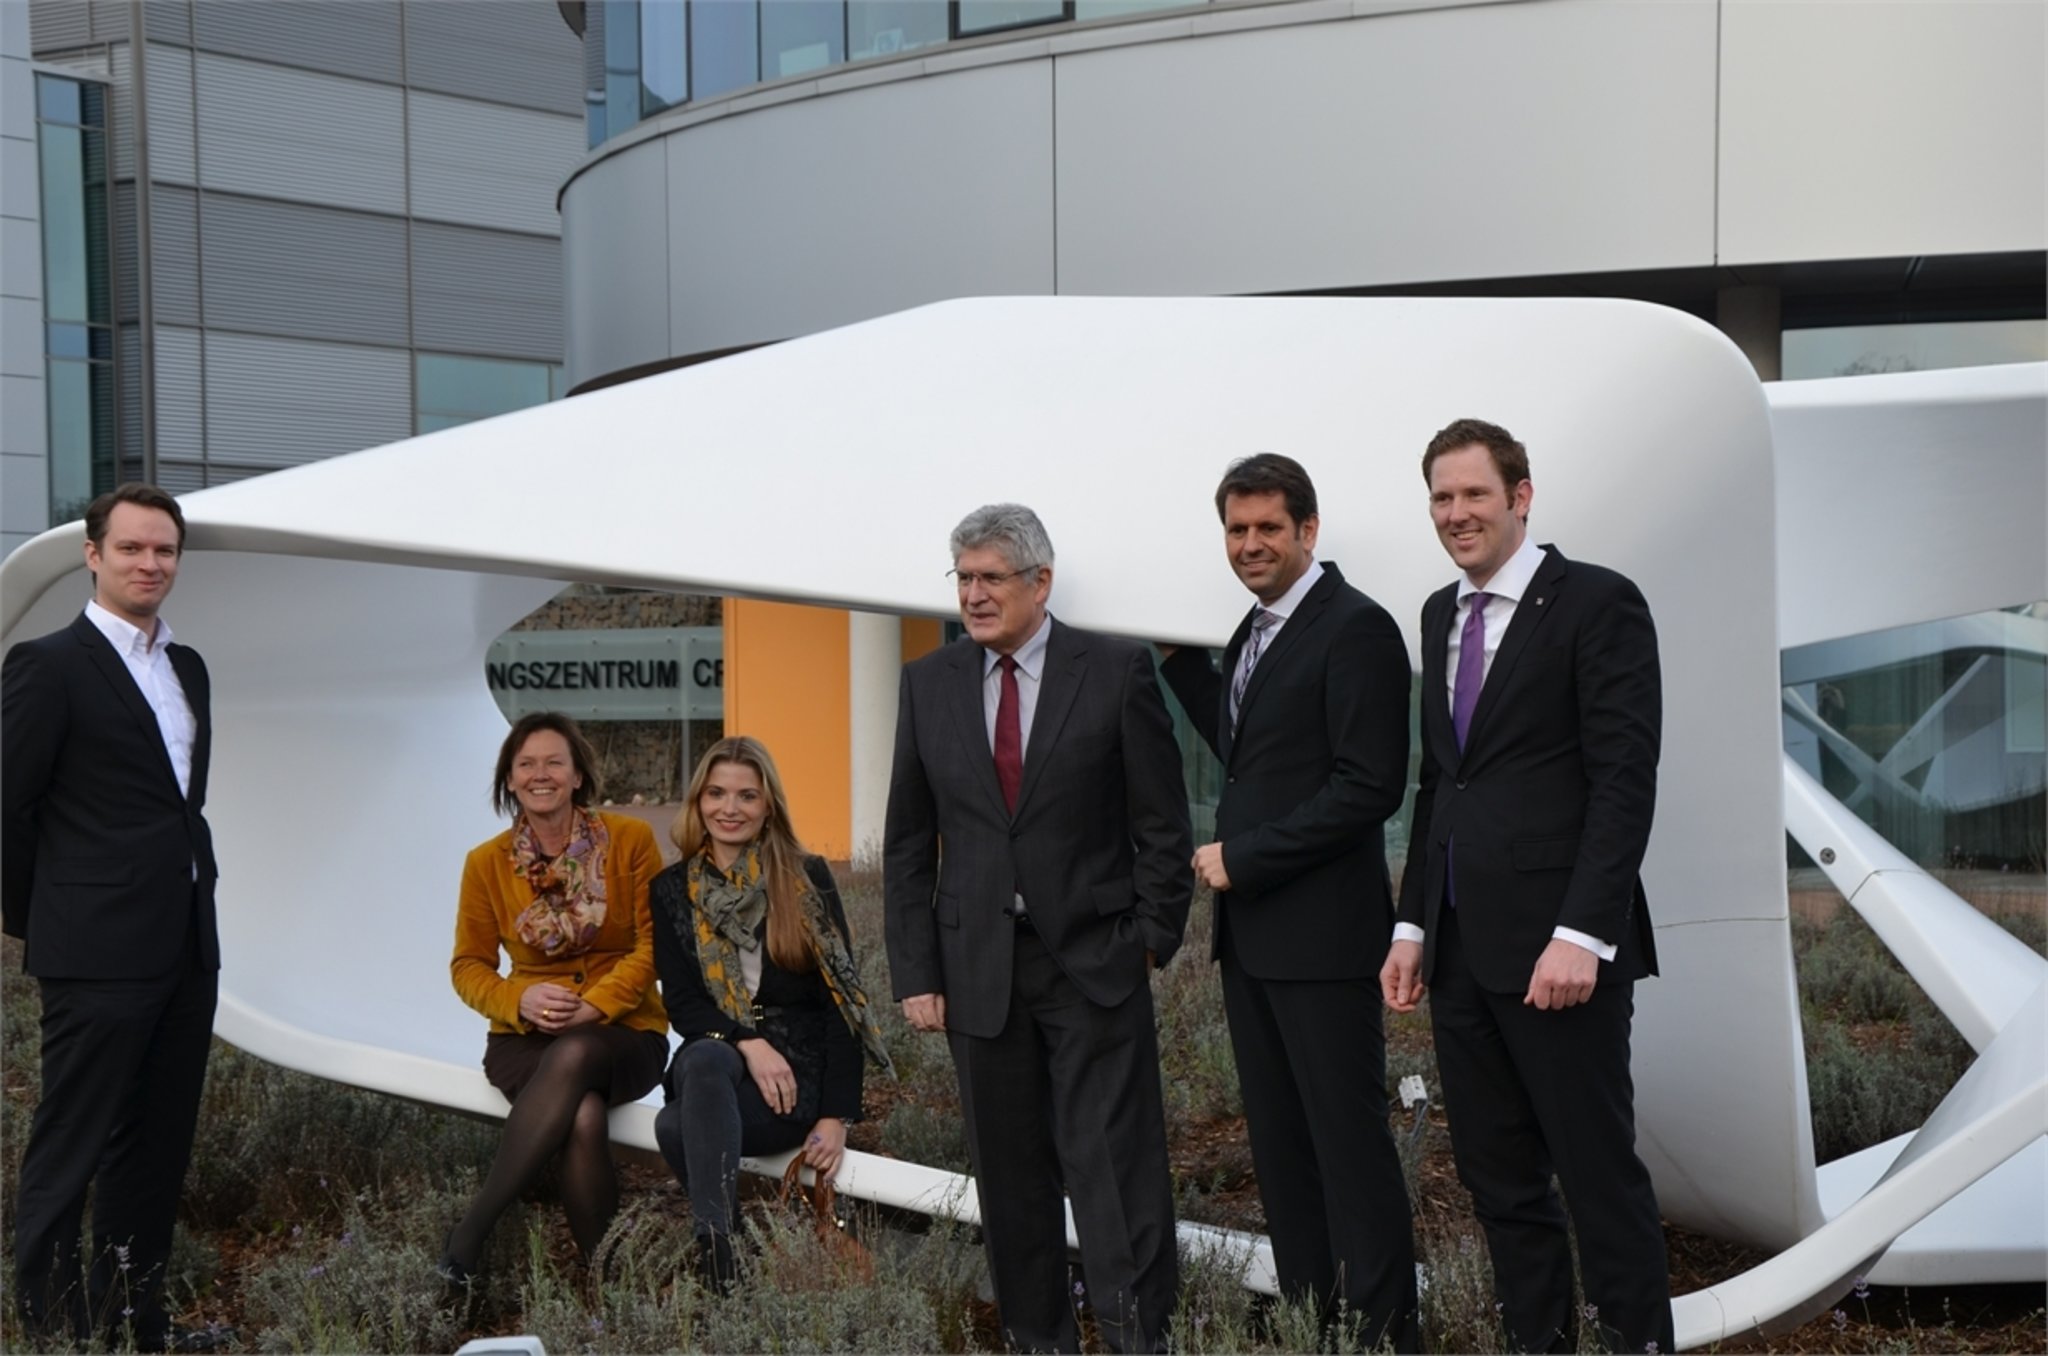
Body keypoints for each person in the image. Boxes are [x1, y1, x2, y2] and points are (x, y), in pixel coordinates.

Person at [1381, 417, 1673, 1354]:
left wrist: (1582, 934)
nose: (1456, 514)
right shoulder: (1439, 612)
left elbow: (1625, 781)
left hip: (1561, 951)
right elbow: (1443, 784)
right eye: (1441, 497)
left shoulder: (1598, 603)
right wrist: (1413, 925)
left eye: (1474, 494)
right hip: (1463, 952)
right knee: (1498, 1182)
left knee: (1598, 1179)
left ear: (1521, 495)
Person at [885, 503, 1194, 1353]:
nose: (975, 596)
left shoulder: (1117, 669)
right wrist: (915, 971)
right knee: (1011, 1180)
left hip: (1096, 962)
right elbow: (910, 841)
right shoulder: (929, 682)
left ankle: (1138, 1340)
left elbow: (1163, 826)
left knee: (1114, 1175)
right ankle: (1038, 1341)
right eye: (964, 579)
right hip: (977, 968)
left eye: (991, 578)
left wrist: (1149, 938)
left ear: (1040, 583)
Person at [1156, 454, 1419, 1349]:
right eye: (1237, 529)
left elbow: (1368, 785)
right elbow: (1253, 751)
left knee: (1349, 1155)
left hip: (1325, 939)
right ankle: (1319, 1325)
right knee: (1283, 1155)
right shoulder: (1257, 631)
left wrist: (1246, 858)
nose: (1251, 543)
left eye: (1270, 527)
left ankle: (1385, 1337)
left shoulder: (1358, 629)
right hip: (1256, 943)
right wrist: (1179, 663)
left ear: (1308, 530)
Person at [4, 485, 222, 1350]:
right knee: (72, 1148)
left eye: (163, 550)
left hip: (185, 945)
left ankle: (137, 1328)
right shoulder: (47, 664)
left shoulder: (189, 666)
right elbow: (8, 810)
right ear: (92, 555)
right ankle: (56, 1332)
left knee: (155, 1150)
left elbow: (179, 807)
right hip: (92, 953)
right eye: (131, 548)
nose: (149, 564)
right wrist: (48, 919)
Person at [650, 735, 892, 1290]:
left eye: (746, 796)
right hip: (718, 1062)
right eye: (716, 793)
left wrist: (836, 1115)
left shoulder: (804, 878)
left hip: (793, 1079)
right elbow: (683, 1003)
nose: (729, 809)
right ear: (698, 801)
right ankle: (721, 1252)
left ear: (768, 807)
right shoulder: (670, 890)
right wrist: (747, 1042)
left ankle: (719, 1253)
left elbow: (842, 998)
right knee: (708, 1054)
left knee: (672, 1124)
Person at [441, 712, 667, 1283]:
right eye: (526, 764)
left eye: (554, 763)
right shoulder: (486, 863)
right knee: (584, 1115)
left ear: (576, 777)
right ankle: (607, 1278)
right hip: (525, 1039)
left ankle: (469, 1236)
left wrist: (595, 1006)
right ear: (510, 780)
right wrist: (519, 999)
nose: (541, 774)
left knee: (576, 1055)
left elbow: (653, 946)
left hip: (623, 1033)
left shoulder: (632, 841)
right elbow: (468, 966)